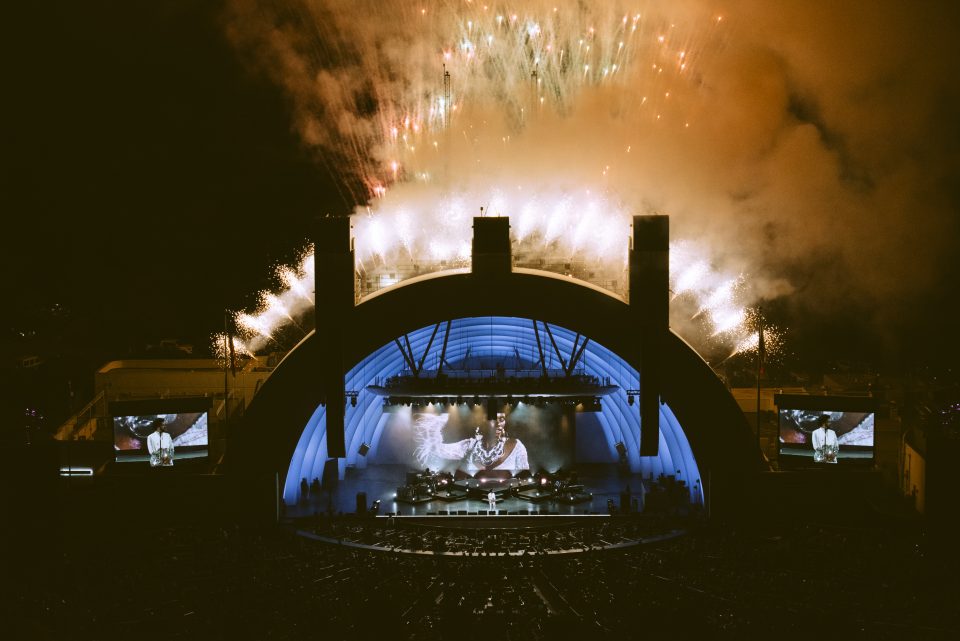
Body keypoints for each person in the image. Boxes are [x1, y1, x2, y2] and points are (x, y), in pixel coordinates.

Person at [414, 411, 529, 474]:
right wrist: (438, 422)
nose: (498, 423)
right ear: (483, 422)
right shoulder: (470, 445)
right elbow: (438, 450)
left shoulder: (517, 446)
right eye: (494, 419)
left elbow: (524, 474)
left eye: (502, 419)